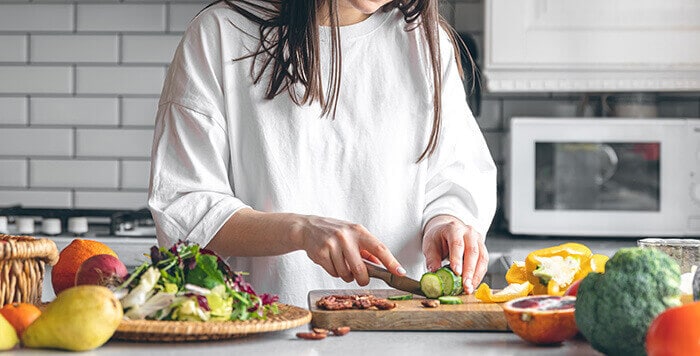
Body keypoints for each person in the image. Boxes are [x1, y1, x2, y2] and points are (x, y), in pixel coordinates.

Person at [148, 0, 496, 307]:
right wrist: (300, 230)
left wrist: (446, 221)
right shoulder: (219, 35)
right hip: (264, 333)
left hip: (401, 335)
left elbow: (454, 178)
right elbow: (185, 209)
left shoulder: (426, 41)